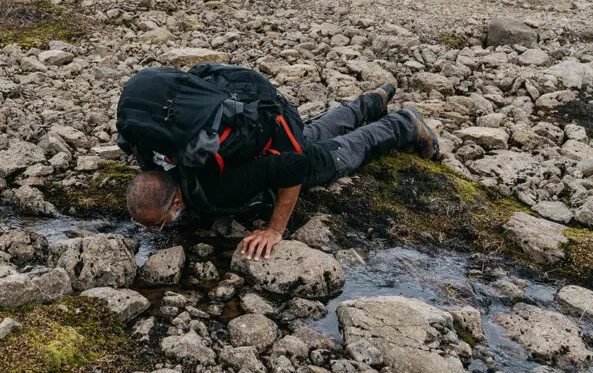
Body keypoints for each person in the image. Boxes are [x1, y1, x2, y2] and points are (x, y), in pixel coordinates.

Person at [125, 81, 440, 260]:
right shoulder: (157, 155)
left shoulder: (218, 187)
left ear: (176, 202)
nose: (153, 231)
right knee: (310, 134)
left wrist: (276, 229)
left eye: (157, 225)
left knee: (343, 152)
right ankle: (370, 102)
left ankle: (404, 124)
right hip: (266, 134)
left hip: (277, 157)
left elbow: (294, 166)